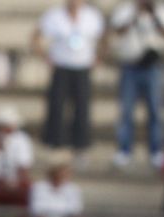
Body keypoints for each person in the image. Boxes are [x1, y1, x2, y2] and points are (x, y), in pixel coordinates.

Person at [108, 0, 164, 169]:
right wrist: (135, 16)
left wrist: (154, 17)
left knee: (154, 110)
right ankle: (124, 150)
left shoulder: (161, 10)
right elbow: (117, 31)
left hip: (152, 67)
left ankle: (156, 151)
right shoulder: (125, 10)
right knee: (127, 111)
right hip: (130, 65)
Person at [33, 0, 104, 154]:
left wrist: (99, 57)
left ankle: (80, 142)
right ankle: (54, 140)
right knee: (56, 104)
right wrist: (45, 56)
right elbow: (36, 36)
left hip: (82, 66)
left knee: (82, 105)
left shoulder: (92, 16)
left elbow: (103, 37)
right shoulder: (54, 15)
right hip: (61, 65)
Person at [28, 151, 87, 217]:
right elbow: (38, 214)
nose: (65, 173)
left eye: (66, 169)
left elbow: (75, 214)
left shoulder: (73, 189)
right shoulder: (39, 188)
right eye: (62, 169)